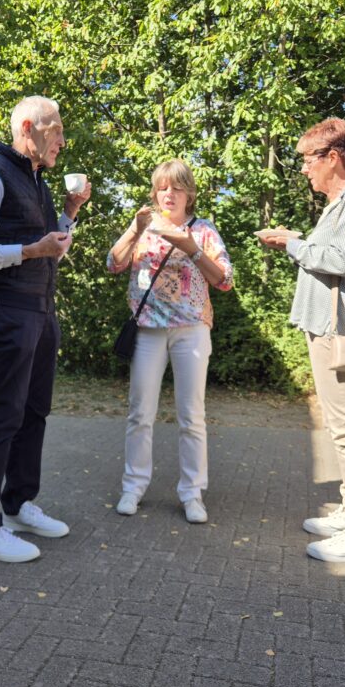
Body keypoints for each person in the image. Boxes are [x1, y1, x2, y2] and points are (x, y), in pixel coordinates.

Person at [0, 96, 91, 563]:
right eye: (56, 129)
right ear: (29, 127)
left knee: (35, 411)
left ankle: (16, 505)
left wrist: (69, 212)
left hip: (41, 308)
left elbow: (49, 246)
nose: (62, 139)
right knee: (3, 412)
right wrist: (29, 252)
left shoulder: (38, 181)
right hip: (10, 307)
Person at [259, 118, 345, 564]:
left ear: (333, 158)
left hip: (341, 331)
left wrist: (293, 245)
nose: (303, 169)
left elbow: (339, 259)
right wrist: (298, 239)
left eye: (307, 159)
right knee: (341, 426)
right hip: (328, 328)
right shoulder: (341, 203)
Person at [107, 160, 233, 523]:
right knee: (139, 413)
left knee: (191, 416)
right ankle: (133, 487)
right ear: (155, 193)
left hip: (191, 330)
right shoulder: (144, 228)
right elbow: (113, 264)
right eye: (163, 188)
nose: (169, 194)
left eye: (177, 188)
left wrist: (190, 247)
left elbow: (224, 280)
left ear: (189, 194)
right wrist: (133, 230)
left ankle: (192, 493)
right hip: (148, 331)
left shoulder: (204, 231)